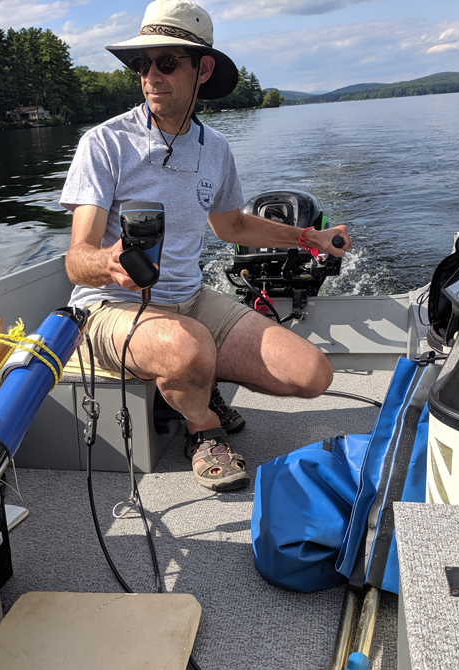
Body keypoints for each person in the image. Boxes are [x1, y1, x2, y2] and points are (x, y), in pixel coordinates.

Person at [60, 0, 352, 492]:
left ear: (203, 69)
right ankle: (203, 430)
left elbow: (233, 226)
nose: (151, 75)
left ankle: (198, 382)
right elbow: (76, 259)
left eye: (167, 62)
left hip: (189, 300)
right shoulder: (104, 144)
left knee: (311, 374)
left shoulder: (215, 148)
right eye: (142, 64)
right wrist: (109, 263)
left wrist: (309, 238)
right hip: (108, 308)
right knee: (187, 345)